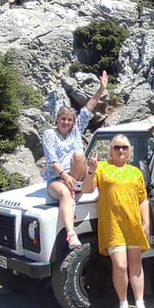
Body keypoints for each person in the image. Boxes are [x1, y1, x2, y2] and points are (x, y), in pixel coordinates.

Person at [82, 134, 153, 308]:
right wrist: (91, 169)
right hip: (113, 224)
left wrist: (146, 222)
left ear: (129, 152)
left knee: (136, 265)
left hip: (133, 223)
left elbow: (143, 199)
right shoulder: (102, 168)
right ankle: (123, 303)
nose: (121, 150)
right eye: (117, 147)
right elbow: (87, 189)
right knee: (120, 265)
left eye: (125, 148)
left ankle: (139, 304)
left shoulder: (135, 172)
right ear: (111, 150)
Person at [42, 71, 108, 249]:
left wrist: (101, 89)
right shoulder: (49, 134)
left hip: (77, 175)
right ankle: (71, 234)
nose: (66, 122)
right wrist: (65, 177)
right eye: (63, 119)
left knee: (79, 154)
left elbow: (88, 109)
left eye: (69, 119)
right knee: (63, 193)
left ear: (73, 122)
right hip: (57, 177)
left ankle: (74, 189)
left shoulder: (76, 131)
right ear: (57, 120)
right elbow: (51, 160)